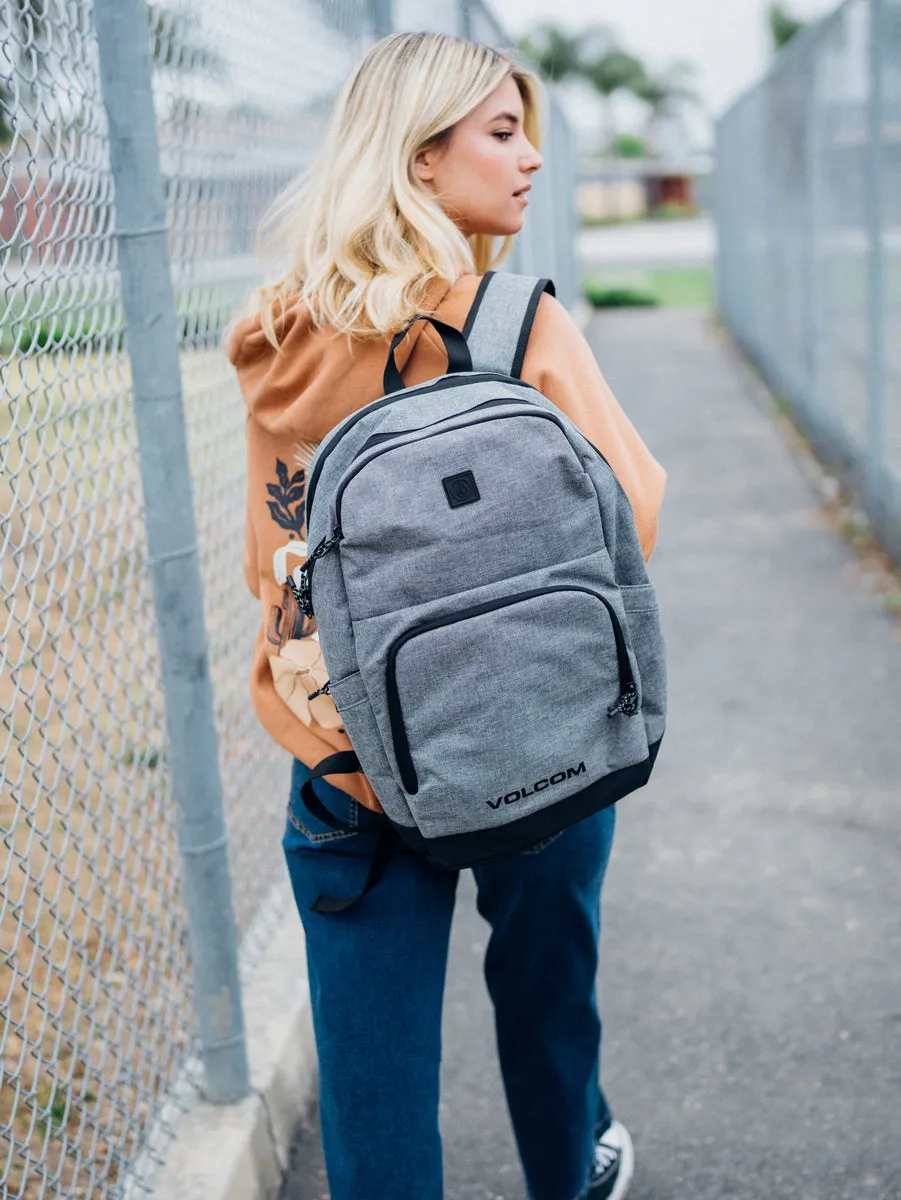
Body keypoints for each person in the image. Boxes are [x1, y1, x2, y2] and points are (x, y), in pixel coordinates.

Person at [226, 31, 665, 1200]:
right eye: (502, 132)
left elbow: (272, 560)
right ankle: (571, 1171)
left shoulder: (277, 336)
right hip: (530, 737)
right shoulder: (515, 323)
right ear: (421, 160)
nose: (530, 160)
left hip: (347, 756)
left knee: (374, 1102)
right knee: (545, 1000)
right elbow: (634, 513)